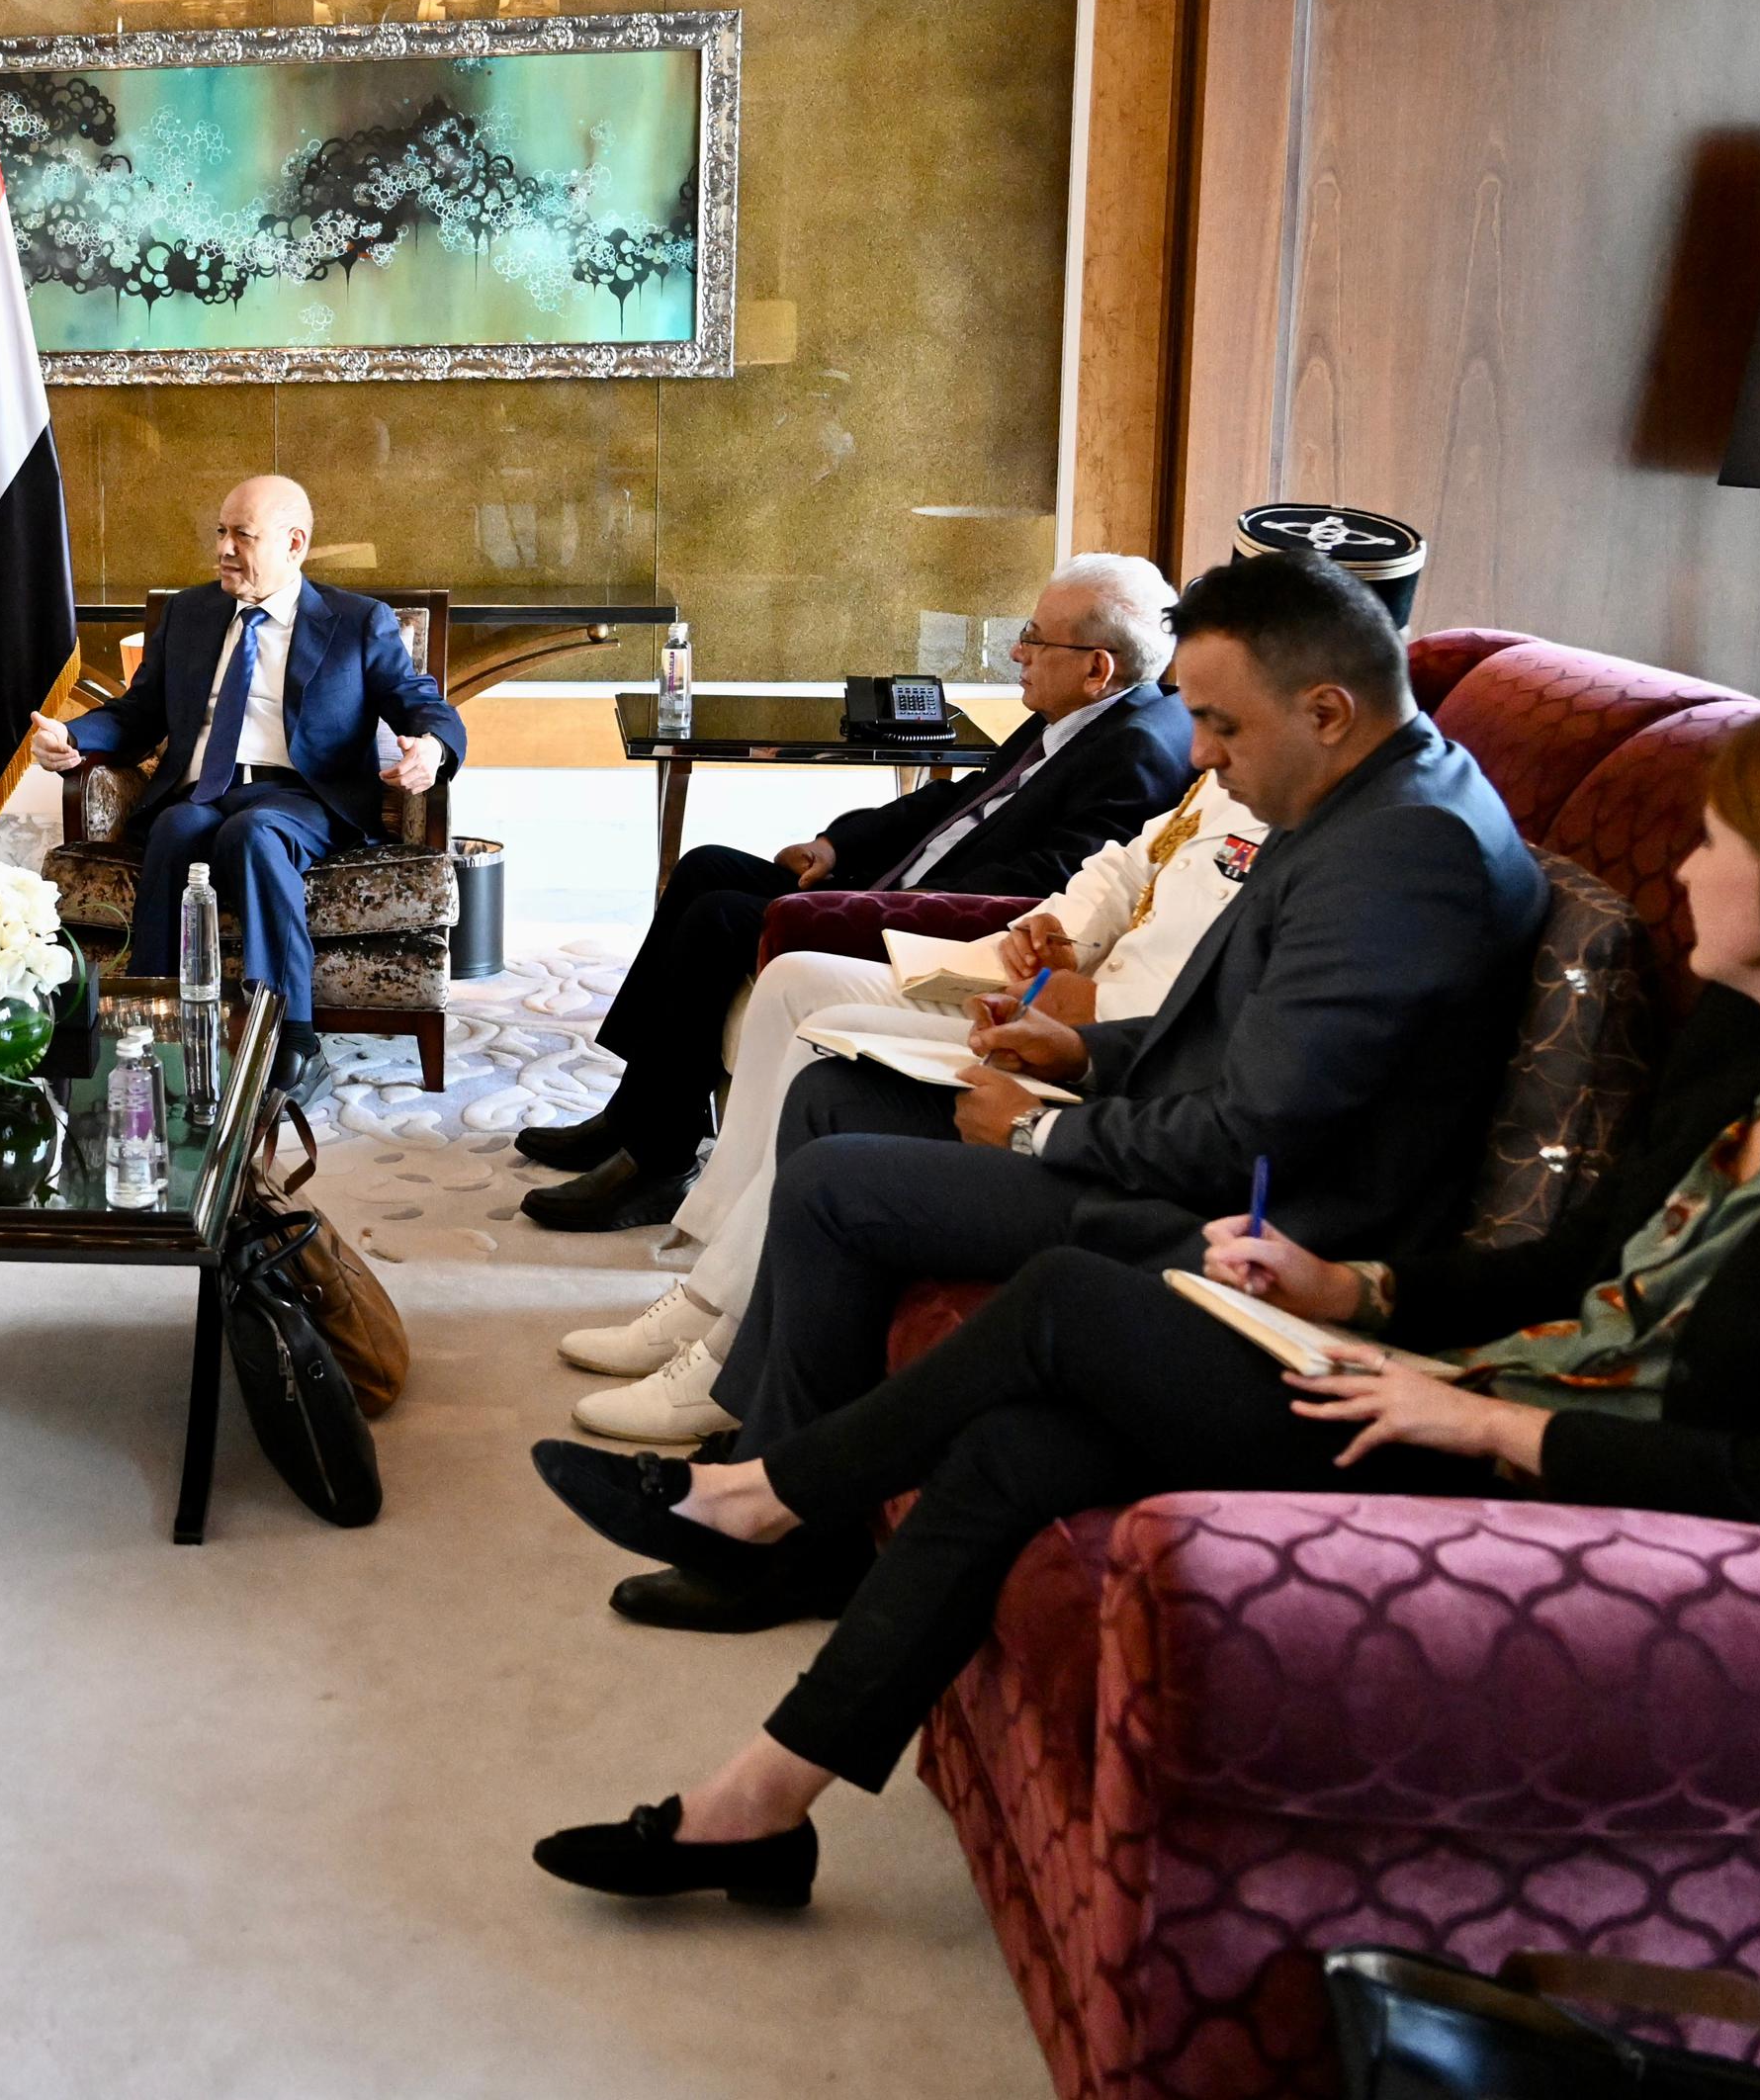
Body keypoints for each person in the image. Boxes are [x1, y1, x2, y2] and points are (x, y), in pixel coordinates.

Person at [521, 702, 1760, 1912]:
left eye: (1720, 842)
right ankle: (757, 1806)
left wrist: (1481, 1424)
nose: (1686, 870)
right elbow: (1573, 1269)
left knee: (1067, 1299)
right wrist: (1355, 1287)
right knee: (1022, 1447)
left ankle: (760, 1498)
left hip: (1590, 1494)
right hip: (1495, 1383)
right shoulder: (1754, 1055)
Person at [582, 549, 1544, 1633]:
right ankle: (771, 1438)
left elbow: (1256, 1139)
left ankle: (787, 1535)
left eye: (1219, 724)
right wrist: (1080, 1054)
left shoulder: (1399, 857)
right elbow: (1234, 1039)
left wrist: (1039, 1133)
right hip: (1194, 1146)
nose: (1200, 754)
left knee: (833, 1186)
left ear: (1325, 709)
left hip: (1250, 1226)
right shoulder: (1363, 795)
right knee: (835, 1098)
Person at [556, 769, 1271, 1444]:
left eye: (1216, 720)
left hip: (1118, 1055)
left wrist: (1099, 1011)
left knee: (824, 1060)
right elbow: (1125, 865)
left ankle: (722, 1341)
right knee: (803, 998)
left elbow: (1225, 1020)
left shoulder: (1291, 817)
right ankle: (709, 1292)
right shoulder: (1235, 771)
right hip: (1063, 1005)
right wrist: (1058, 933)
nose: (1199, 749)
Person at [518, 555, 1190, 1231]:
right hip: (894, 886)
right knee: (705, 867)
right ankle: (635, 1113)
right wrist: (837, 845)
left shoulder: (1133, 750)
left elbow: (1042, 884)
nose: (1018, 651)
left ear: (1096, 667)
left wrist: (881, 902)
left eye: (1035, 638)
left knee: (720, 918)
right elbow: (953, 803)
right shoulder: (1074, 714)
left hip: (928, 924)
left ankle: (659, 1162)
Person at [22, 475, 465, 1103]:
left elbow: (419, 701)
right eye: (221, 532)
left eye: (243, 536)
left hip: (302, 798)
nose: (224, 549)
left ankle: (293, 1041)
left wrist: (434, 748)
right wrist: (73, 736)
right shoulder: (190, 613)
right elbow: (138, 712)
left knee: (253, 834)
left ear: (294, 543)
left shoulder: (356, 621)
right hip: (203, 790)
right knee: (175, 827)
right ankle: (151, 1026)